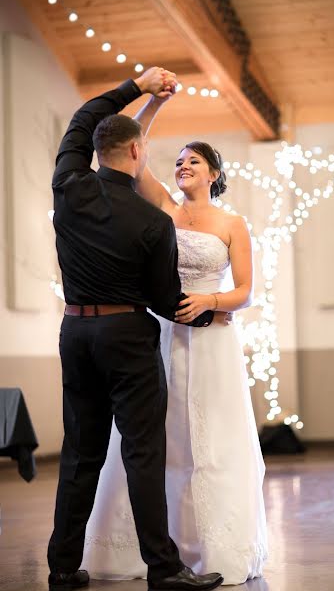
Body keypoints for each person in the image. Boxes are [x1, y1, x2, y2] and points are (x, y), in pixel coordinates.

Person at [81, 88, 268, 584]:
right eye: (179, 160)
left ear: (213, 173)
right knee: (156, 439)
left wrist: (210, 300)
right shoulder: (162, 206)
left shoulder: (232, 224)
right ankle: (151, 550)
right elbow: (133, 149)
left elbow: (246, 292)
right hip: (161, 337)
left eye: (193, 161)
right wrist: (154, 102)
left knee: (211, 442)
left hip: (211, 342)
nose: (183, 166)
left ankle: (213, 545)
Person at [47, 67, 224, 591]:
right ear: (137, 154)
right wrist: (213, 311)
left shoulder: (68, 185)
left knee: (80, 452)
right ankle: (163, 570)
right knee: (142, 452)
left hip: (75, 333)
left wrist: (137, 87)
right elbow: (167, 300)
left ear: (98, 150)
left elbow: (84, 118)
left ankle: (61, 567)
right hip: (126, 337)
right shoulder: (153, 223)